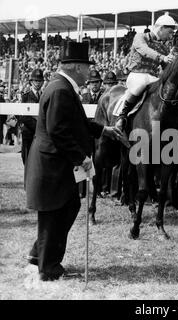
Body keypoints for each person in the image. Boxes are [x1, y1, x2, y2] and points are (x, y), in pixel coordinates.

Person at [25, 42, 124, 281]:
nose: (88, 73)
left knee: (67, 206)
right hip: (52, 166)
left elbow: (75, 122)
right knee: (56, 211)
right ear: (76, 67)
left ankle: (39, 254)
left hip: (54, 165)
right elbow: (59, 131)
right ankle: (48, 268)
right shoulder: (60, 89)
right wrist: (83, 159)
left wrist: (104, 130)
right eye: (86, 67)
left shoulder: (62, 87)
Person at [115, 12, 177, 136]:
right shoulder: (140, 37)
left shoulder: (164, 48)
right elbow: (144, 50)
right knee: (141, 83)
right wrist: (162, 58)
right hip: (137, 75)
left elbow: (166, 70)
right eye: (170, 32)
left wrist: (172, 63)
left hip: (152, 78)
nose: (171, 36)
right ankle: (122, 117)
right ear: (161, 28)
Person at [18, 68, 44, 165]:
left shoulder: (45, 96)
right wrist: (37, 126)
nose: (37, 83)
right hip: (29, 133)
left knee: (40, 162)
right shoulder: (25, 96)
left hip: (42, 135)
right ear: (31, 82)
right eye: (35, 81)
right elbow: (23, 116)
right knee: (27, 160)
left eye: (40, 81)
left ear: (42, 82)